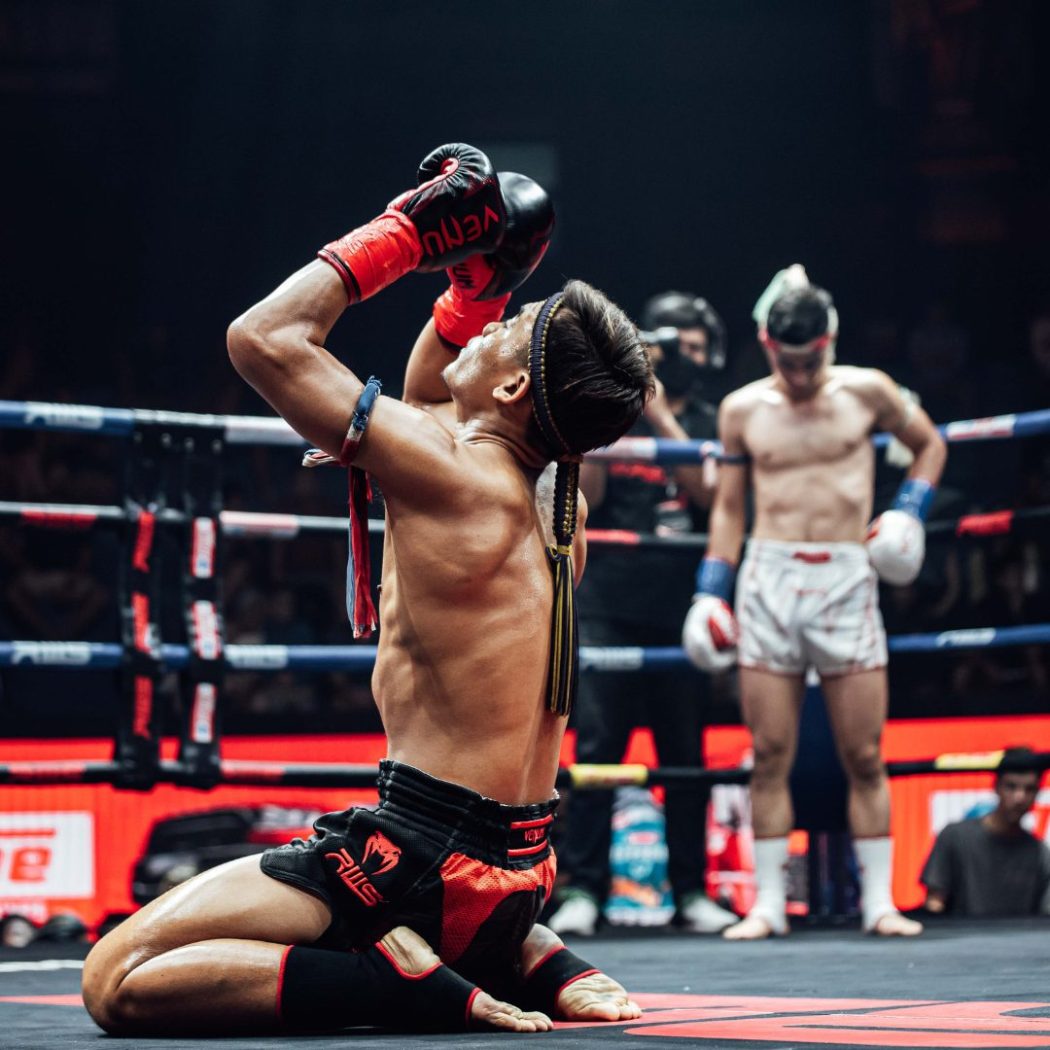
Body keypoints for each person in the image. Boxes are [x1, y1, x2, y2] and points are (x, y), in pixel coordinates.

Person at [82, 143, 652, 1035]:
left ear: (512, 386)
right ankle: (513, 951)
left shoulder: (447, 470)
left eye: (503, 328)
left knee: (115, 979)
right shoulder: (557, 501)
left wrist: (404, 234)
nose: (488, 325)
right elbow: (434, 394)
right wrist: (475, 293)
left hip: (417, 860)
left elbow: (262, 339)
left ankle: (400, 979)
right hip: (516, 868)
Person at [683, 264, 948, 940]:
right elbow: (730, 509)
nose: (801, 375)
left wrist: (908, 511)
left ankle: (880, 904)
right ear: (768, 347)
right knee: (769, 752)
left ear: (829, 341)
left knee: (865, 754)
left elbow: (930, 445)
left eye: (812, 360)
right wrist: (709, 592)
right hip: (769, 577)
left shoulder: (869, 391)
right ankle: (768, 906)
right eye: (788, 362)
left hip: (845, 578)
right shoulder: (742, 410)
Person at [547, 291, 737, 937]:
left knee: (685, 751)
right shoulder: (617, 409)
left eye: (695, 348)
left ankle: (691, 889)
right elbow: (589, 494)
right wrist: (616, 409)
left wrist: (657, 413)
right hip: (609, 602)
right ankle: (584, 888)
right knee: (598, 748)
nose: (685, 358)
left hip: (680, 606)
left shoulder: (711, 417)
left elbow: (709, 493)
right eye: (673, 347)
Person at [921, 747, 1050, 916]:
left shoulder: (1040, 854)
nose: (1020, 797)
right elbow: (934, 903)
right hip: (960, 933)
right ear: (996, 786)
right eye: (1011, 787)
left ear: (1037, 792)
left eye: (1029, 789)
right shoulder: (955, 837)